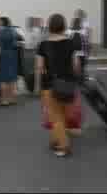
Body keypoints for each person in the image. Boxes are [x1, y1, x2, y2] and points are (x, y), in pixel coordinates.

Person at [36, 14, 80, 157]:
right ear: (64, 26)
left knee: (55, 116)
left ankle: (63, 146)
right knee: (62, 113)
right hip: (67, 83)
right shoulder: (71, 43)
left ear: (50, 26)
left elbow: (40, 67)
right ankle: (55, 140)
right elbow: (76, 65)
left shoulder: (43, 45)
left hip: (50, 84)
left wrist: (38, 86)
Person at [0, 17, 19, 106]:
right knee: (12, 78)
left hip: (3, 57)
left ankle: (4, 100)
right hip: (12, 55)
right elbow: (17, 44)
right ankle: (12, 98)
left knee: (3, 79)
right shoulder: (13, 32)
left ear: (2, 23)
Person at [67, 17, 88, 82]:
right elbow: (85, 43)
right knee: (81, 66)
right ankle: (81, 78)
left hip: (72, 53)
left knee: (71, 66)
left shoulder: (69, 31)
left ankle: (73, 79)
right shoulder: (83, 31)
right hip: (81, 52)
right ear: (80, 23)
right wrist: (86, 52)